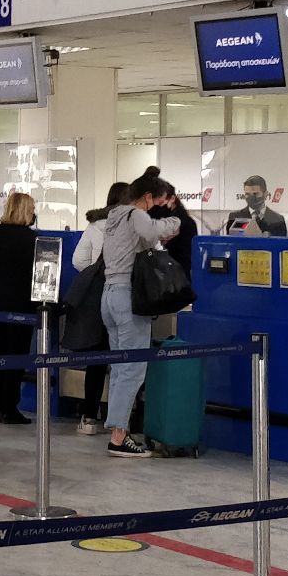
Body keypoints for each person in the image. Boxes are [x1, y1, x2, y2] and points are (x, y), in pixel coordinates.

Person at [98, 170, 180, 458]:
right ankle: (119, 438)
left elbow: (141, 243)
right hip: (126, 298)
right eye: (155, 203)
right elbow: (152, 232)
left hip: (108, 296)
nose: (155, 209)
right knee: (132, 369)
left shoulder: (114, 216)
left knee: (120, 368)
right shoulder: (135, 215)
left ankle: (117, 430)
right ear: (146, 198)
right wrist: (174, 220)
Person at [67, 182, 130, 435]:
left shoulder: (95, 225)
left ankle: (89, 416)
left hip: (97, 298)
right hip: (124, 296)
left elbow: (77, 260)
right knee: (123, 361)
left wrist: (95, 273)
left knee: (96, 358)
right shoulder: (130, 224)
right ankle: (118, 420)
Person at [0, 192, 40, 425]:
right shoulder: (32, 240)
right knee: (17, 357)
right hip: (21, 307)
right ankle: (10, 406)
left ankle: (1, 404)